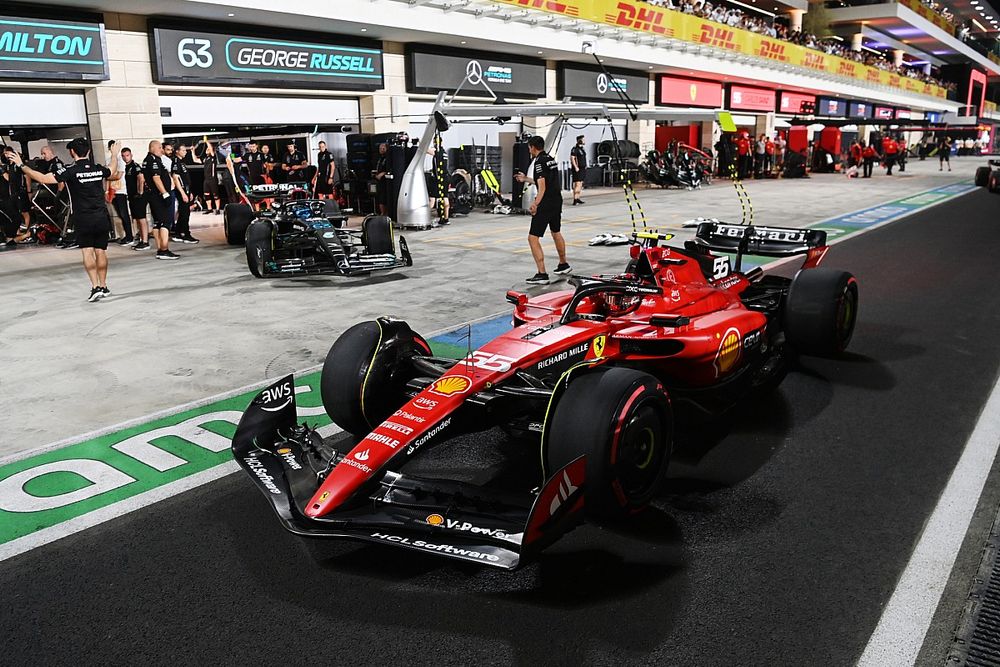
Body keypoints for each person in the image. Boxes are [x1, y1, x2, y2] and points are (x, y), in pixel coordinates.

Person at [11, 138, 121, 300]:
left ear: (72, 152)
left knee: (87, 251)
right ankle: (104, 286)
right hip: (101, 216)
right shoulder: (98, 169)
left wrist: (21, 165)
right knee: (101, 251)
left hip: (83, 218)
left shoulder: (70, 170)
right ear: (88, 152)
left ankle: (95, 286)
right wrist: (114, 154)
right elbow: (112, 170)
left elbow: (42, 178)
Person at [524, 135, 570, 285]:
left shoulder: (538, 162)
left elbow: (542, 186)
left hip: (546, 203)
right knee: (556, 232)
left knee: (533, 238)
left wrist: (535, 203)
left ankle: (542, 273)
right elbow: (545, 181)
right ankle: (563, 264)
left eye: (529, 147)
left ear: (532, 147)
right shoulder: (550, 159)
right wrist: (526, 179)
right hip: (556, 201)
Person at [142, 140, 180, 260]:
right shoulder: (153, 161)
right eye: (159, 148)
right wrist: (165, 194)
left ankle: (160, 249)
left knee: (158, 222)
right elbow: (156, 178)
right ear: (152, 148)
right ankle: (164, 249)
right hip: (159, 196)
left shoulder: (148, 160)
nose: (161, 150)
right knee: (165, 222)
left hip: (154, 196)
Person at [105, 141, 132, 245]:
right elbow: (107, 178)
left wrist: (108, 176)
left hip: (121, 190)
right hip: (112, 190)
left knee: (124, 214)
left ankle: (129, 236)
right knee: (119, 214)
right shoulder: (108, 160)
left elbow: (118, 176)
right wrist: (106, 191)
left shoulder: (120, 160)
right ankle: (126, 235)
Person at [170, 144, 198, 245]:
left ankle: (178, 233)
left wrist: (189, 192)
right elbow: (175, 177)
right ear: (177, 151)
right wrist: (182, 193)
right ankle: (186, 234)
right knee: (185, 213)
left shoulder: (181, 162)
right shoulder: (176, 162)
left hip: (186, 190)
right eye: (183, 150)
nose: (185, 152)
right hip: (182, 191)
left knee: (184, 212)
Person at [123, 147, 150, 249]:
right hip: (132, 196)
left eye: (127, 155)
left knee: (141, 218)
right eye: (124, 156)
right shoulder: (126, 167)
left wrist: (140, 192)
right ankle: (141, 239)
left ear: (131, 155)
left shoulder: (135, 166)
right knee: (138, 219)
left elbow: (141, 178)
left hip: (138, 197)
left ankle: (145, 241)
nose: (126, 158)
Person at [201, 142, 221, 215]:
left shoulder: (213, 157)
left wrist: (206, 141)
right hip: (206, 179)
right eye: (206, 149)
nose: (207, 149)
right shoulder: (205, 159)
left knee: (215, 195)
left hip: (213, 179)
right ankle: (209, 209)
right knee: (206, 194)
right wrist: (192, 151)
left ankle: (217, 209)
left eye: (208, 149)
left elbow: (210, 148)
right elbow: (195, 160)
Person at [373, 143, 390, 216]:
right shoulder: (380, 158)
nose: (381, 150)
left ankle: (384, 213)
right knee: (380, 197)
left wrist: (383, 173)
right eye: (380, 148)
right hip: (379, 181)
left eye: (383, 148)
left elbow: (390, 169)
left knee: (384, 198)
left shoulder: (388, 158)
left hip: (386, 181)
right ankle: (381, 213)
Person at [570, 135, 587, 205]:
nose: (584, 141)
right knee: (577, 184)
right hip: (578, 169)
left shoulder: (582, 149)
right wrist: (576, 167)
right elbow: (572, 158)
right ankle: (575, 199)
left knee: (580, 184)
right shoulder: (575, 149)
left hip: (583, 168)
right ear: (580, 140)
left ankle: (578, 198)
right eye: (583, 140)